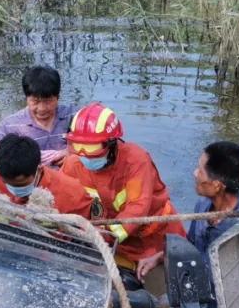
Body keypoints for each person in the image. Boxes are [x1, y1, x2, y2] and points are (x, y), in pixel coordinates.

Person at [61, 103, 184, 266]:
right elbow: (59, 195)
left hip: (154, 240)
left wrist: (104, 234)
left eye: (92, 147)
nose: (85, 154)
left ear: (112, 144)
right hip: (111, 243)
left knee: (162, 287)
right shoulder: (73, 164)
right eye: (78, 146)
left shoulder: (136, 161)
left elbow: (137, 208)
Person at [135, 141, 239, 281]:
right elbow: (192, 248)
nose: (195, 173)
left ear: (217, 186)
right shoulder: (202, 206)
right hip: (196, 281)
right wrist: (159, 257)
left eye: (200, 170)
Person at [0, 65, 74, 174]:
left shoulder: (75, 116)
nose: (42, 109)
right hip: (32, 185)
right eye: (35, 101)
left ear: (57, 97)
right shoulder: (9, 126)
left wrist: (72, 153)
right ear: (26, 98)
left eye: (48, 101)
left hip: (70, 181)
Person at [0, 134, 97, 218]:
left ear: (39, 169)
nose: (15, 190)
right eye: (7, 183)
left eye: (21, 184)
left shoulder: (72, 192)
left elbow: (90, 230)